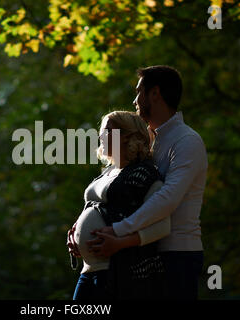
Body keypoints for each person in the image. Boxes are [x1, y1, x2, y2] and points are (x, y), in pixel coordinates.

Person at [88, 65, 208, 300]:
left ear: (155, 94)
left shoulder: (187, 141)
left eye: (139, 92)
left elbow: (168, 199)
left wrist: (118, 230)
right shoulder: (146, 141)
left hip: (177, 255)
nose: (134, 100)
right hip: (142, 253)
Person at [67, 111, 171, 300]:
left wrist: (120, 242)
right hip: (88, 270)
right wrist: (76, 236)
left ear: (127, 137)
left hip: (116, 272)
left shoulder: (145, 175)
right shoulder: (106, 173)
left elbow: (163, 226)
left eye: (107, 131)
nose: (100, 136)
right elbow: (95, 210)